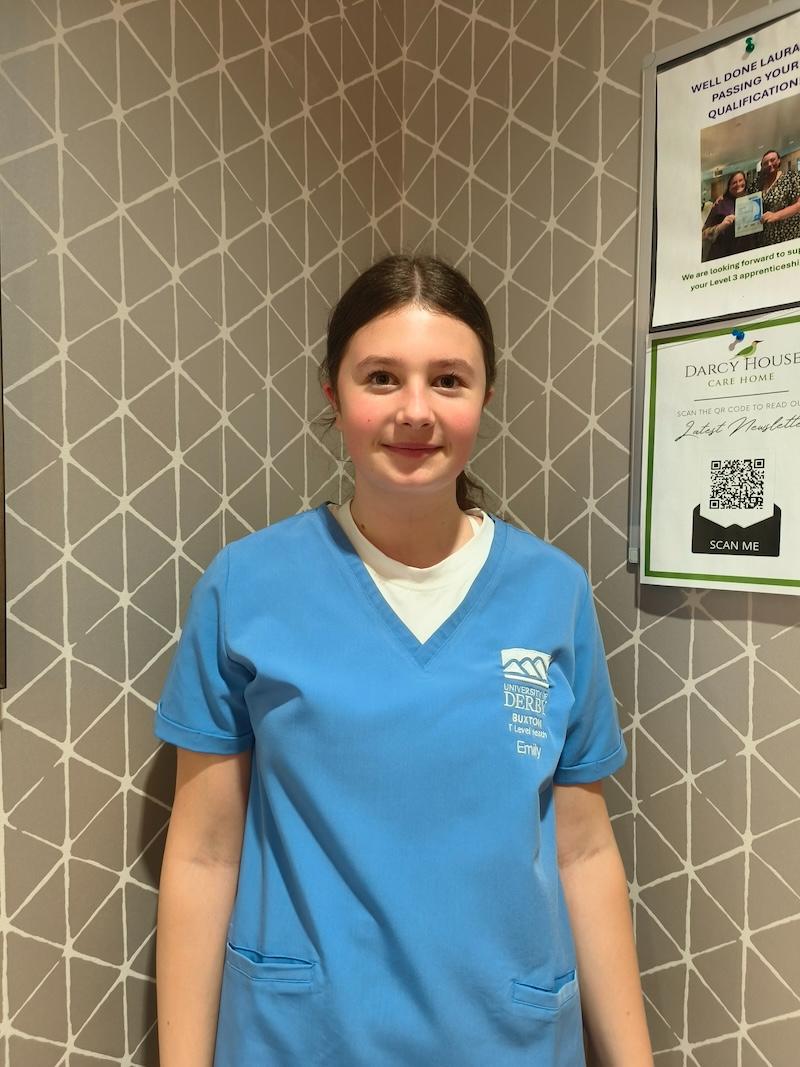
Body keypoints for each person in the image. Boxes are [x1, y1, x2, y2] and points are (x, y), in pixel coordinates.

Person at [154, 255, 654, 1066]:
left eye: (448, 380)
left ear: (486, 397)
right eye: (381, 376)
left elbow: (584, 848)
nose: (415, 411)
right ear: (333, 394)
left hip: (511, 1038)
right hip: (302, 1038)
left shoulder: (553, 593)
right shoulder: (246, 587)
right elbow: (206, 849)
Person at [701, 170, 759, 259]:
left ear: (745, 182)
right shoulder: (720, 204)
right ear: (729, 186)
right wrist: (720, 226)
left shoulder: (753, 200)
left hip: (748, 252)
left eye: (741, 180)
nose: (738, 184)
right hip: (723, 254)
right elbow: (703, 234)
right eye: (734, 182)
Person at [755, 148, 800, 245]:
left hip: (789, 236)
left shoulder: (791, 178)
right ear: (762, 167)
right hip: (767, 241)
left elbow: (798, 205)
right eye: (765, 163)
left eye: (772, 160)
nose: (769, 164)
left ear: (779, 161)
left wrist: (776, 215)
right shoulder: (758, 185)